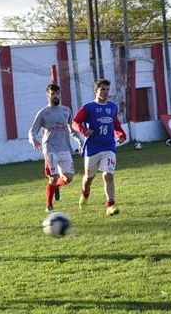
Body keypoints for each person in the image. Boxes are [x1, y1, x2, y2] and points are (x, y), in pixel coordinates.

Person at [72, 78, 127, 216]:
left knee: (108, 175)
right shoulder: (88, 107)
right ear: (96, 90)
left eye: (107, 89)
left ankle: (110, 206)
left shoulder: (112, 107)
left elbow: (114, 123)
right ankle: (85, 194)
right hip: (92, 148)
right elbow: (75, 122)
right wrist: (84, 131)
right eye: (102, 89)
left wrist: (121, 134)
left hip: (109, 146)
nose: (105, 92)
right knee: (88, 178)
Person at [28, 83, 81, 212]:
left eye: (57, 94)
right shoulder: (43, 113)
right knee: (53, 177)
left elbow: (71, 129)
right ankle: (49, 205)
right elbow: (32, 131)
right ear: (48, 95)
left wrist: (80, 140)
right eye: (53, 94)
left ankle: (56, 186)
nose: (56, 96)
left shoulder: (66, 110)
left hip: (64, 148)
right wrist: (33, 139)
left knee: (68, 178)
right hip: (50, 148)